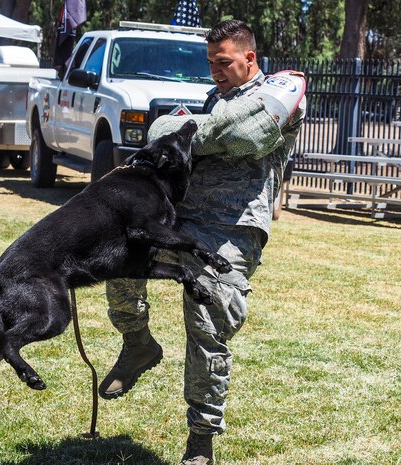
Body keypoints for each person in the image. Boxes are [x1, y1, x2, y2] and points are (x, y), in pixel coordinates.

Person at [98, 19, 306, 465]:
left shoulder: (280, 96)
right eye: (210, 61)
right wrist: (200, 130)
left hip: (232, 230)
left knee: (207, 324)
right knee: (120, 259)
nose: (214, 69)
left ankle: (201, 441)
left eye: (224, 61)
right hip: (182, 219)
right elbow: (157, 135)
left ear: (249, 58)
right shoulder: (218, 101)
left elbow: (247, 136)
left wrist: (190, 131)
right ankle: (138, 342)